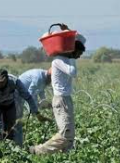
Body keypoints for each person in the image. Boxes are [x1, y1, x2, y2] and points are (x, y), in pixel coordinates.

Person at [30, 25, 86, 154]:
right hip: (60, 99)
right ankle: (38, 151)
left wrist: (69, 31)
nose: (79, 56)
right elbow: (73, 72)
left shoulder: (66, 59)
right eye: (78, 53)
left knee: (70, 134)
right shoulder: (58, 61)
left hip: (66, 98)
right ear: (72, 50)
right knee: (65, 133)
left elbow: (82, 40)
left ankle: (67, 155)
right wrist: (72, 57)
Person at [0, 68, 49, 142]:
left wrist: (36, 113)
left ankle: (9, 147)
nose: (0, 84)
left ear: (7, 79)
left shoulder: (14, 81)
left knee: (11, 127)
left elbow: (28, 96)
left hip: (9, 103)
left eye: (2, 82)